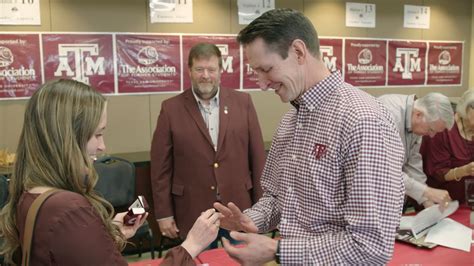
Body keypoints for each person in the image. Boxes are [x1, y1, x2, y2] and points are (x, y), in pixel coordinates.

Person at [214, 8, 405, 265]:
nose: (260, 84)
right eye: (255, 72)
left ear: (299, 52)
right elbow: (278, 198)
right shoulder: (290, 122)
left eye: (266, 69)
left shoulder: (363, 121)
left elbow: (370, 247)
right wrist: (252, 220)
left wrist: (277, 250)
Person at [0, 79, 148, 265]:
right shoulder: (69, 209)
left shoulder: (31, 194)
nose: (102, 146)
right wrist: (190, 246)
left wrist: (106, 232)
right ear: (68, 138)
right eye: (98, 134)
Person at [151, 43, 266, 246]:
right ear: (189, 71)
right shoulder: (170, 109)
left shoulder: (243, 102)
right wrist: (164, 214)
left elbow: (257, 159)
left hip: (238, 210)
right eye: (199, 69)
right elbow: (160, 169)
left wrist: (262, 209)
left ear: (220, 71)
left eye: (211, 69)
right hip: (193, 212)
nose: (205, 75)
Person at [378, 93, 453, 209]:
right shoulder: (389, 116)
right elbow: (385, 170)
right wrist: (427, 192)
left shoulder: (416, 121)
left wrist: (427, 201)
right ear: (418, 115)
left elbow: (413, 162)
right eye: (431, 129)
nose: (432, 136)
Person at [421, 89, 474, 203]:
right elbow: (436, 173)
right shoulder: (443, 128)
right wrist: (464, 170)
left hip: (468, 202)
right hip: (441, 202)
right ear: (465, 109)